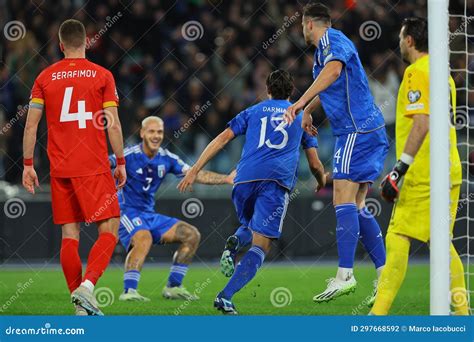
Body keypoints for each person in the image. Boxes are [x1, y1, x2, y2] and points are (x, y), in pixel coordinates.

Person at [178, 70, 326, 314]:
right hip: (275, 183)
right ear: (292, 92)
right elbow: (314, 164)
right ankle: (225, 296)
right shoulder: (301, 117)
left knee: (249, 226)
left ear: (268, 90)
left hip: (243, 180)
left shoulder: (253, 111)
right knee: (261, 246)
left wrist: (195, 169)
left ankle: (235, 241)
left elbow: (222, 139)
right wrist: (321, 181)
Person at [284, 2, 389, 305]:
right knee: (356, 204)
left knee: (340, 197)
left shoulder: (331, 40)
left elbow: (333, 71)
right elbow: (332, 83)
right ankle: (385, 277)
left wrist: (301, 103)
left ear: (309, 24)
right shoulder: (324, 50)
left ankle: (345, 275)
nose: (302, 31)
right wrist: (311, 111)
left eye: (302, 26)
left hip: (356, 131)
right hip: (367, 131)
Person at [22, 19, 126, 316]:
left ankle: (80, 305)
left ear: (60, 44)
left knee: (71, 235)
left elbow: (31, 126)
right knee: (110, 229)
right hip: (93, 165)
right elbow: (113, 124)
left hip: (60, 168)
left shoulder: (45, 76)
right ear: (86, 42)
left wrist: (28, 165)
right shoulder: (102, 75)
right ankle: (89, 287)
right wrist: (120, 161)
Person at [371, 17, 468, 315]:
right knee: (442, 242)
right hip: (450, 167)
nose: (400, 42)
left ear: (410, 40)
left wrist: (399, 169)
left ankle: (377, 315)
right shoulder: (444, 74)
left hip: (425, 172)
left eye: (401, 37)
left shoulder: (415, 72)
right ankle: (464, 316)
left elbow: (421, 124)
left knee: (398, 234)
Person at [110, 116, 234, 302]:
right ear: (142, 133)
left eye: (159, 132)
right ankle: (129, 291)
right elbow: (103, 165)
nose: (156, 135)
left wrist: (226, 179)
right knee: (144, 238)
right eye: (151, 131)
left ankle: (173, 286)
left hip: (149, 215)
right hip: (127, 212)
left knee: (191, 235)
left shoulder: (166, 158)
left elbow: (194, 174)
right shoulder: (128, 156)